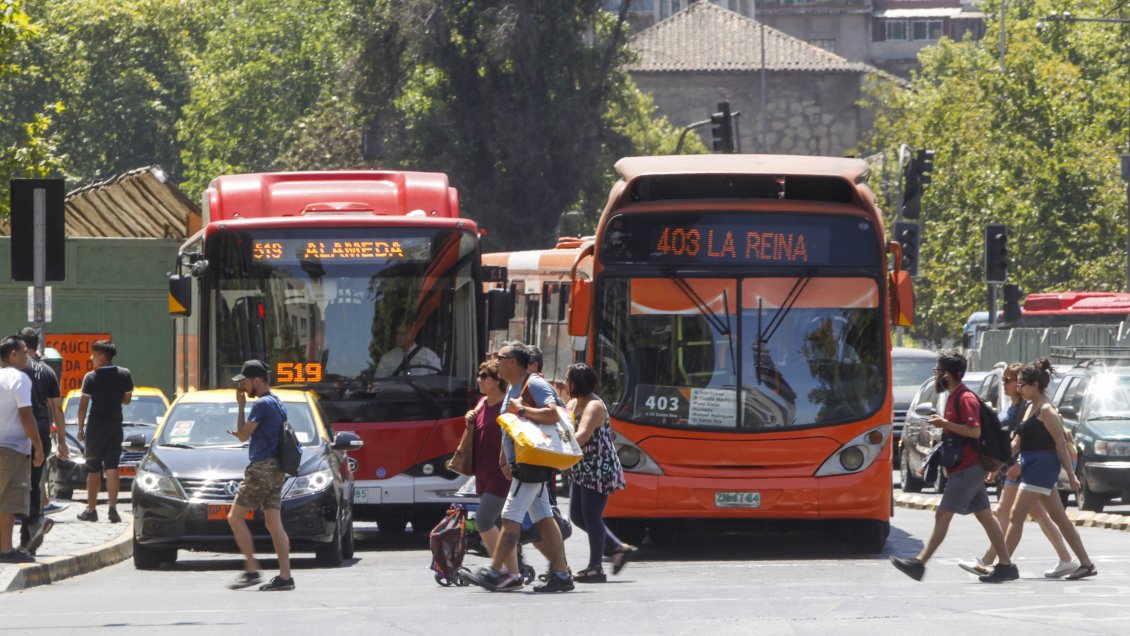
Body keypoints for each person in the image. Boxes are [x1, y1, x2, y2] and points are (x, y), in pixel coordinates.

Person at [890, 349, 1018, 583]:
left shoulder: (965, 398)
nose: (936, 375)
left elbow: (975, 431)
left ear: (948, 375)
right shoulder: (952, 396)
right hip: (964, 467)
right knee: (986, 517)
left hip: (968, 468)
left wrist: (945, 422)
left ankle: (919, 563)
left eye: (938, 371)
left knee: (942, 515)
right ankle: (1007, 565)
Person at [464, 342, 573, 593]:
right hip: (521, 463)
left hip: (531, 462)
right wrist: (504, 458)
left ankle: (502, 573)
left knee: (510, 517)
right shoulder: (514, 387)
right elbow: (508, 429)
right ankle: (561, 574)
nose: (496, 361)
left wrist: (523, 409)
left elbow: (554, 413)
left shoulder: (533, 384)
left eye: (499, 358)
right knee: (544, 518)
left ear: (512, 361)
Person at [958, 363, 1076, 578]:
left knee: (1012, 513)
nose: (1006, 384)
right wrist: (997, 465)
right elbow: (1016, 441)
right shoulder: (1019, 406)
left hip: (1025, 467)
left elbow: (1043, 442)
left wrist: (1015, 464)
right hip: (1016, 466)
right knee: (1038, 515)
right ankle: (1068, 560)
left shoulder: (1033, 407)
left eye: (1010, 381)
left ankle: (996, 564)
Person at [999, 359, 1097, 580]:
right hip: (1030, 464)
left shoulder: (1046, 410)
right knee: (1059, 517)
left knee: (1016, 514)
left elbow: (1060, 445)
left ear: (1035, 385)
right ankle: (1082, 563)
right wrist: (996, 460)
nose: (1019, 388)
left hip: (1043, 466)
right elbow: (1017, 442)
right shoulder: (1029, 406)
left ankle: (1003, 565)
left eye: (1023, 384)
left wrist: (1071, 476)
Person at [226, 360, 294, 591]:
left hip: (262, 468)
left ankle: (252, 570)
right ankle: (285, 576)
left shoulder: (262, 404)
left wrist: (241, 406)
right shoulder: (277, 402)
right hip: (277, 468)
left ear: (257, 380)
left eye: (244, 382)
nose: (242, 388)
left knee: (234, 517)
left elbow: (243, 435)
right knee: (274, 523)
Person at [564, 363, 633, 582]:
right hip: (581, 467)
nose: (565, 384)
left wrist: (556, 444)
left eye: (568, 380)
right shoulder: (574, 402)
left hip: (598, 467)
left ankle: (596, 568)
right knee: (577, 516)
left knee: (592, 517)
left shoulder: (594, 406)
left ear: (578, 382)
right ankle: (617, 547)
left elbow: (582, 435)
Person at [16, 327, 66, 555]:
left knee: (15, 484)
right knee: (34, 484)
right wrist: (62, 441)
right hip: (43, 431)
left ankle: (32, 525)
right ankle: (29, 537)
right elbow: (57, 407)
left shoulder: (15, 369)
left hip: (18, 431)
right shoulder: (47, 371)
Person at [76, 340, 133, 523]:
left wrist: (80, 428)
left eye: (93, 354)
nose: (91, 357)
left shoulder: (91, 377)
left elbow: (83, 406)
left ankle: (91, 509)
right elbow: (127, 400)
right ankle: (113, 509)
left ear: (101, 356)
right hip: (115, 425)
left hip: (95, 427)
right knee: (112, 467)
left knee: (93, 468)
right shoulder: (125, 374)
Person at [0, 336, 43, 563]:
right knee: (8, 500)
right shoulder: (19, 379)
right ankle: (5, 550)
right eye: (24, 351)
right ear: (12, 355)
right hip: (12, 449)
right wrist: (38, 446)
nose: (29, 354)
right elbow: (26, 415)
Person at [466, 360, 510, 565]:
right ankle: (514, 568)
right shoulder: (483, 402)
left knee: (483, 520)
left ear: (497, 380)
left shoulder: (508, 406)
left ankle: (497, 567)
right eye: (479, 375)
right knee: (500, 525)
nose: (479, 380)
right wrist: (470, 417)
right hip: (482, 473)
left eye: (484, 376)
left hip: (501, 474)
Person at [375, 323, 442, 377]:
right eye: (397, 334)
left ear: (413, 334)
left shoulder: (429, 356)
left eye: (402, 334)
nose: (398, 337)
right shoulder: (387, 359)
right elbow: (378, 386)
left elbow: (437, 383)